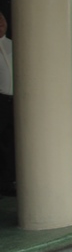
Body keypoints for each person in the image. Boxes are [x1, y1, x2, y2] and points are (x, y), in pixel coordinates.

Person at [0, 12, 15, 196]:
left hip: (14, 100)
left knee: (11, 141)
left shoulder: (13, 45)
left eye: (2, 20)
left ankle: (9, 181)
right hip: (1, 99)